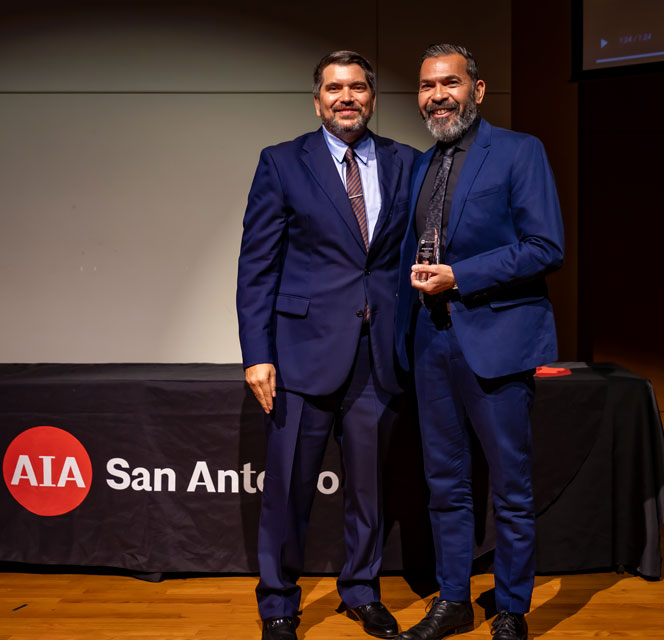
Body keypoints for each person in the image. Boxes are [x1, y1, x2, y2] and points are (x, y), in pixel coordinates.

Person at [237, 50, 417, 640]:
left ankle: (361, 590)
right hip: (300, 354)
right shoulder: (283, 162)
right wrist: (256, 353)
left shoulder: (407, 162)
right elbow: (257, 267)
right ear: (317, 99)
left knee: (369, 488)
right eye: (335, 88)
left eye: (359, 87)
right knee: (288, 489)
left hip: (379, 355)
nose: (347, 97)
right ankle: (279, 604)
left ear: (373, 97)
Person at [395, 44, 565, 640]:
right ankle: (454, 600)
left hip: (495, 342)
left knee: (510, 488)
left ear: (478, 89)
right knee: (444, 486)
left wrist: (460, 277)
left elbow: (547, 246)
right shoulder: (420, 164)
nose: (437, 95)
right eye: (426, 86)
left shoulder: (520, 150)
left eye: (450, 83)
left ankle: (513, 608)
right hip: (430, 343)